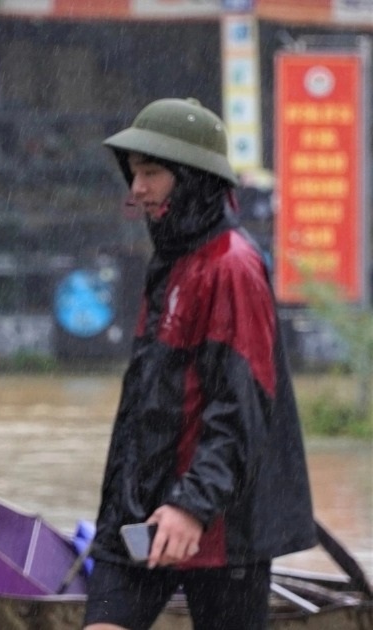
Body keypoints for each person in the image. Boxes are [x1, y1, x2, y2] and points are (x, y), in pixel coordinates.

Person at [82, 98, 317, 630]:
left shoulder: (232, 267)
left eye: (152, 174)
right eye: (134, 174)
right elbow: (148, 403)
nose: (136, 190)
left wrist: (192, 505)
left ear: (192, 179)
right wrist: (126, 505)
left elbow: (241, 406)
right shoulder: (171, 261)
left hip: (220, 528)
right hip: (141, 514)